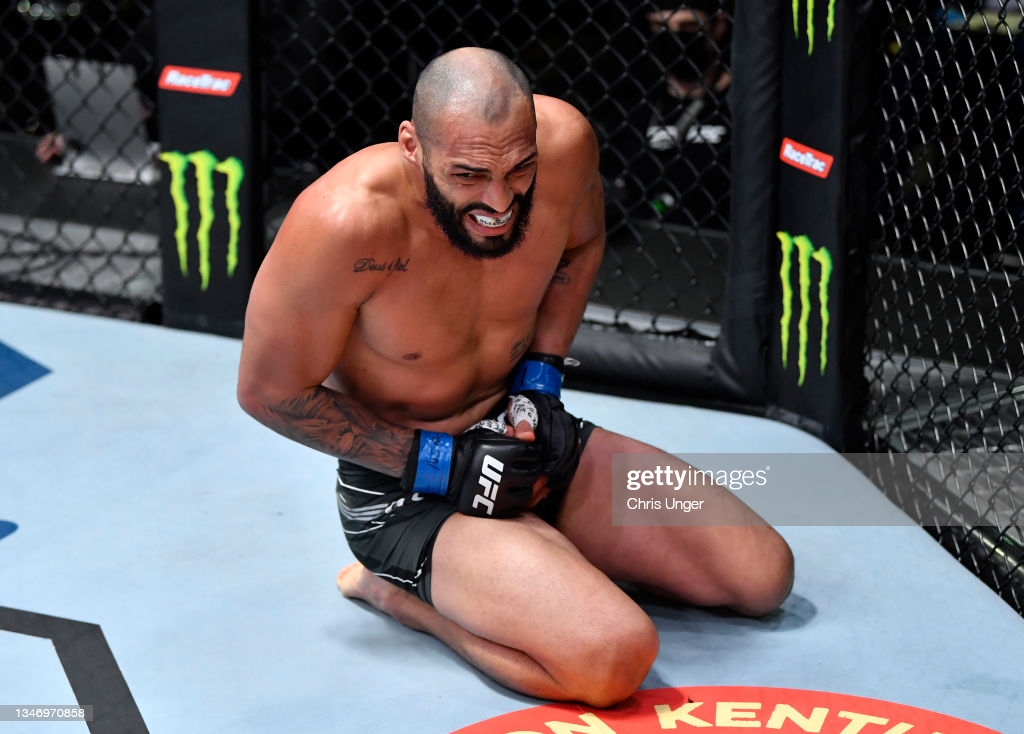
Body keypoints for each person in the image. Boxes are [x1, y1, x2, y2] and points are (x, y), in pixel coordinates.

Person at [236, 46, 793, 708]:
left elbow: (582, 241)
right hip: (406, 492)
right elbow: (267, 392)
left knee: (763, 575)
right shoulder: (346, 222)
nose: (498, 201)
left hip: (528, 439)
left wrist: (539, 386)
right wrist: (444, 465)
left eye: (518, 168)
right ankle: (403, 596)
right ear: (412, 146)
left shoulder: (566, 146)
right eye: (468, 175)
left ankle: (535, 559)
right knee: (614, 659)